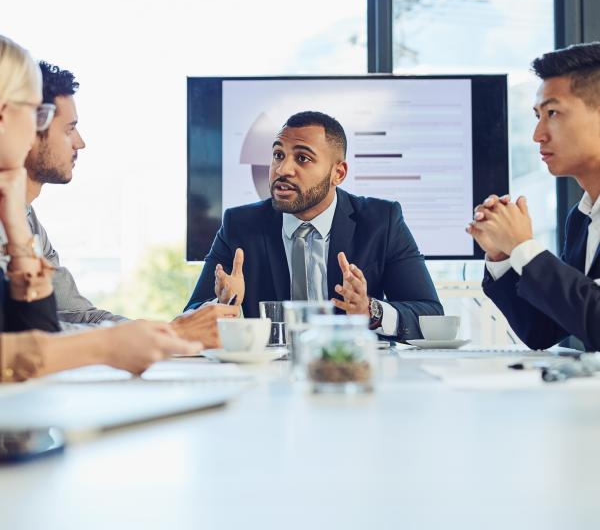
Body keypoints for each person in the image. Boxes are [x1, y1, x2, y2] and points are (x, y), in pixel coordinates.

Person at [0, 34, 202, 381]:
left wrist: (18, 232)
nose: (37, 127)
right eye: (37, 113)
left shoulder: (19, 211)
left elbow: (43, 325)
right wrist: (106, 346)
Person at [185, 111, 442, 341]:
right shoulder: (240, 225)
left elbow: (430, 314)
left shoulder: (381, 220)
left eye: (303, 158)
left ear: (338, 174)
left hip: (350, 374)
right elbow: (191, 314)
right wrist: (222, 304)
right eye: (278, 155)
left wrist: (369, 310)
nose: (283, 169)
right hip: (269, 379)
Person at [467, 42, 600, 351]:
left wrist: (523, 247)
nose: (538, 134)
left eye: (552, 112)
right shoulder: (582, 218)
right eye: (537, 115)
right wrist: (503, 256)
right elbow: (544, 330)